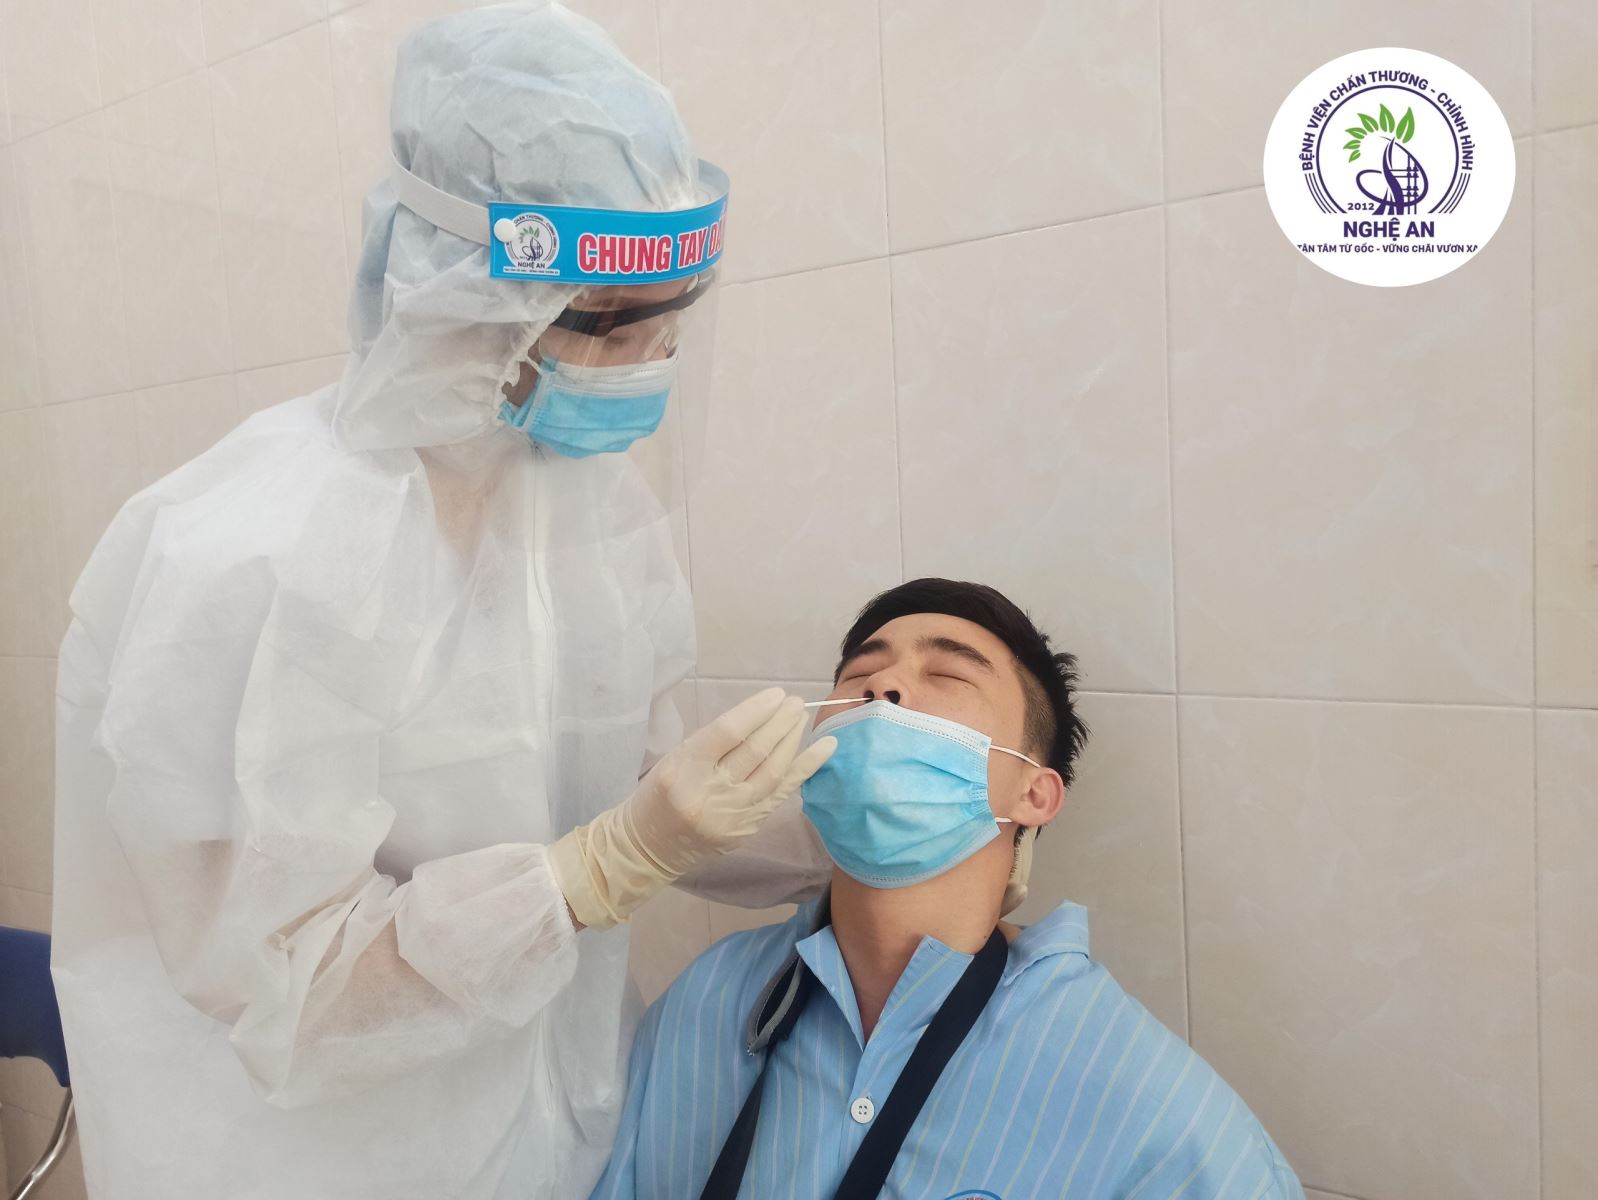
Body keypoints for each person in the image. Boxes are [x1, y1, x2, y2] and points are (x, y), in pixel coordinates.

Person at [50, 5, 833, 1198]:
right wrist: (587, 877)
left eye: (676, 318)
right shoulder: (260, 553)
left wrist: (839, 827)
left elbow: (637, 792)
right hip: (312, 1164)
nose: (655, 359)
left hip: (554, 1133)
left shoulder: (592, 511)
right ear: (469, 300)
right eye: (618, 322)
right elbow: (289, 987)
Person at [589, 578, 1306, 1200]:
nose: (884, 688)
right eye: (860, 673)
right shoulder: (706, 1006)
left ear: (1035, 794)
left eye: (949, 676)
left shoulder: (1152, 1111)